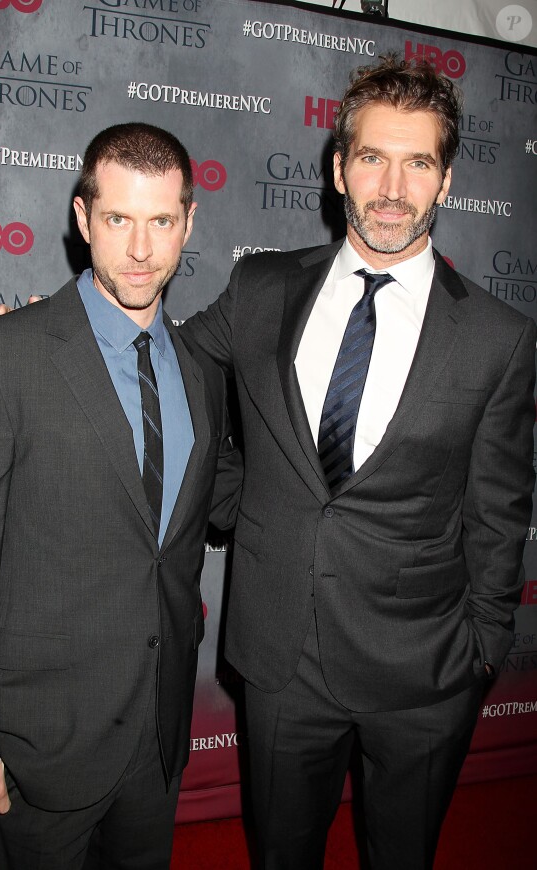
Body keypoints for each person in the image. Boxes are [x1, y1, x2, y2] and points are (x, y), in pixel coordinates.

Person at [182, 56, 536, 868]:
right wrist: (234, 492)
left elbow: (498, 511)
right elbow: (173, 365)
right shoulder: (262, 286)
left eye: (418, 163)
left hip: (426, 670)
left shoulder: (498, 337)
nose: (392, 185)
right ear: (339, 168)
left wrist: (481, 650)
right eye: (373, 157)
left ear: (446, 182)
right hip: (281, 658)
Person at [0, 123, 242, 869]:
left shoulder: (201, 372)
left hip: (157, 737)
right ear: (83, 220)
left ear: (189, 223)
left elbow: (208, 512)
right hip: (35, 748)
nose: (141, 250)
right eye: (118, 219)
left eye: (161, 222)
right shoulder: (2, 356)